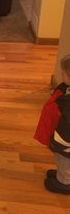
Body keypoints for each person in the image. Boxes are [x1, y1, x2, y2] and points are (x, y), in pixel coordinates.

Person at [35, 54, 70, 194]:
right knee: (62, 161)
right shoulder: (66, 90)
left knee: (65, 162)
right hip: (64, 140)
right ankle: (62, 175)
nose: (60, 75)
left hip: (66, 144)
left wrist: (59, 144)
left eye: (63, 73)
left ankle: (64, 183)